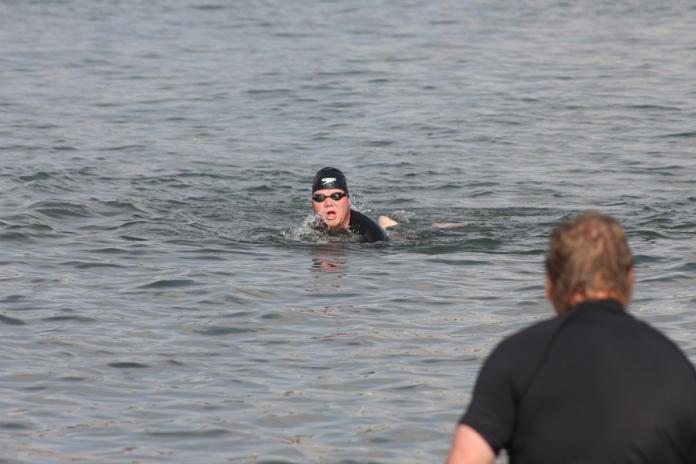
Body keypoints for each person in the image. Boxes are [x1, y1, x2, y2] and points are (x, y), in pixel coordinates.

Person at [447, 212, 696, 464]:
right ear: (630, 278)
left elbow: (465, 458)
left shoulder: (516, 357)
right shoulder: (677, 368)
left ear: (549, 283)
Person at [310, 167, 396, 243]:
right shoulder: (310, 228)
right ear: (312, 203)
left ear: (348, 200)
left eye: (336, 196)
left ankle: (385, 225)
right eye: (320, 198)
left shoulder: (374, 236)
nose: (328, 203)